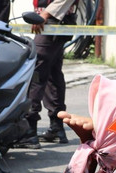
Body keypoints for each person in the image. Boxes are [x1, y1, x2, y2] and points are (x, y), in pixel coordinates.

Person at [13, 0, 76, 149]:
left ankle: (29, 131)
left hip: (51, 20)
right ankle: (57, 127)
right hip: (53, 20)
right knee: (53, 75)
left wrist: (45, 14)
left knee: (36, 75)